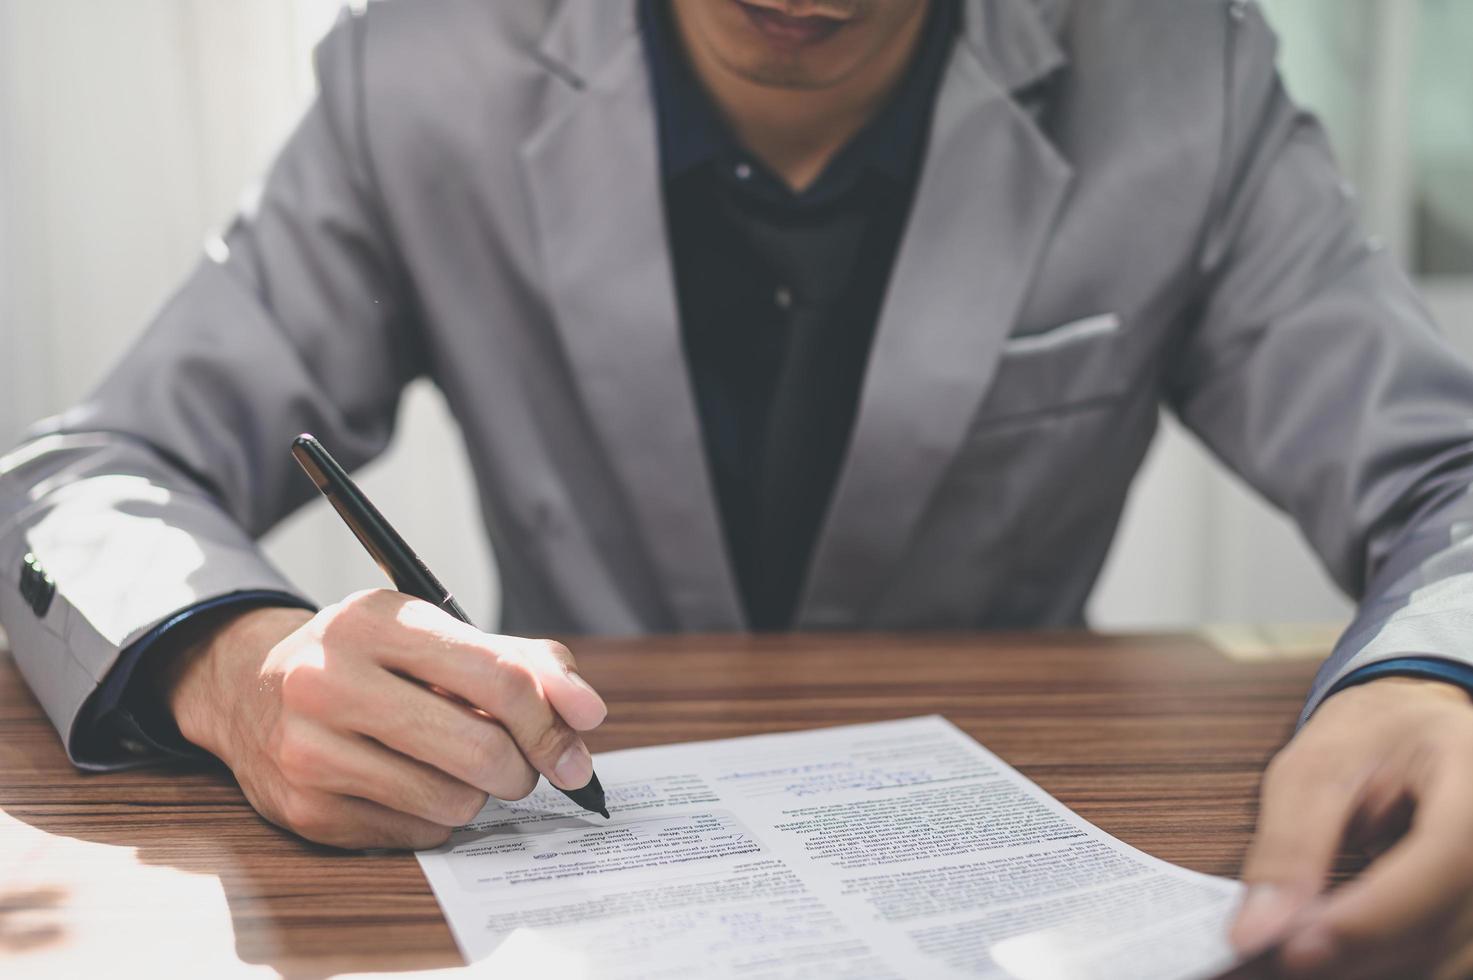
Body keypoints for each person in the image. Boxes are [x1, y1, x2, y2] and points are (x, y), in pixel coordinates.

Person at [4, 0, 1473, 974]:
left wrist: (1429, 671)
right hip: (571, 864)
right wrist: (239, 665)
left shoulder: (1181, 70)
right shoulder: (424, 59)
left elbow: (1447, 474)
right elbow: (84, 473)